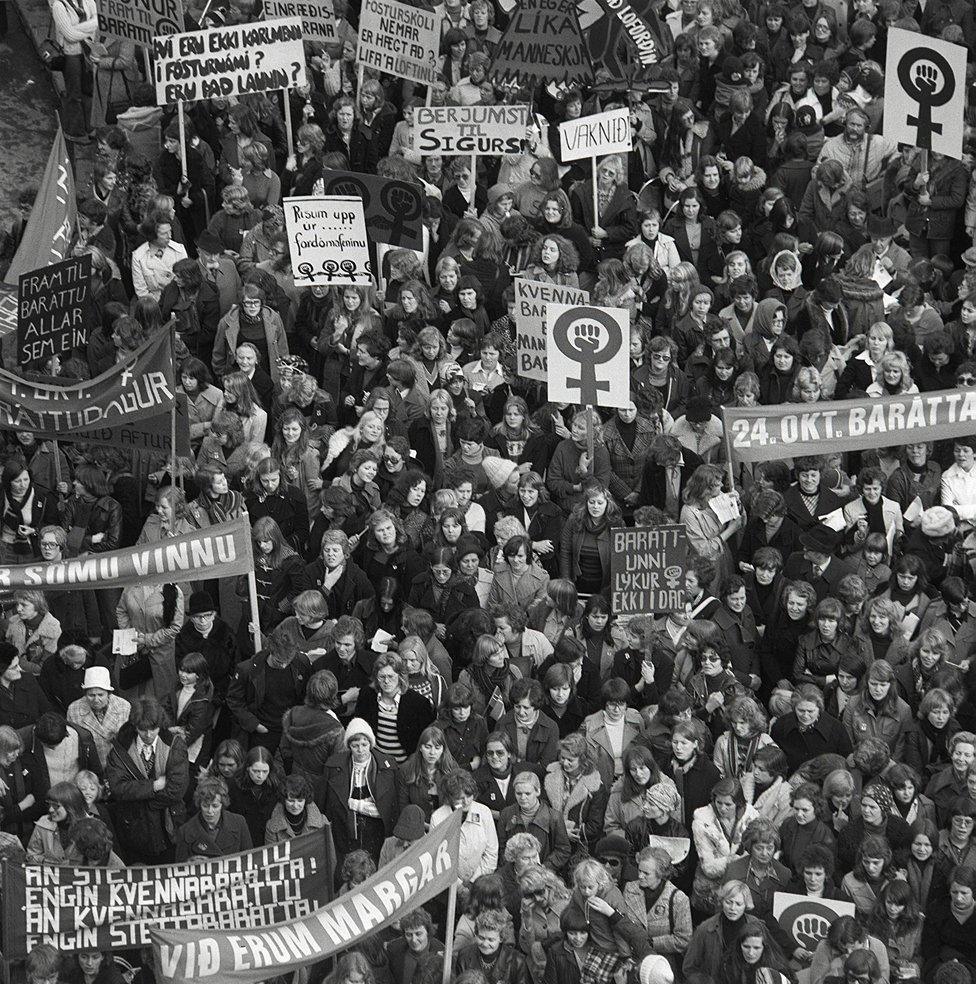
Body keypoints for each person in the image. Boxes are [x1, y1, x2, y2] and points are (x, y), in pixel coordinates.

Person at [105, 697, 189, 864]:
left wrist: (144, 802)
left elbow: (176, 790)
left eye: (153, 729)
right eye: (143, 730)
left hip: (169, 829)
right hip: (135, 831)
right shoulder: (120, 749)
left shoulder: (175, 745)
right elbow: (118, 788)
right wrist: (154, 786)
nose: (149, 735)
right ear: (135, 726)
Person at [324, 717, 397, 862]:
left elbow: (386, 809)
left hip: (376, 832)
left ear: (371, 744)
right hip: (346, 833)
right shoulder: (333, 767)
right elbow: (329, 804)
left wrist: (356, 805)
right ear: (349, 746)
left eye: (364, 744)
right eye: (355, 745)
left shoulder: (387, 767)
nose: (360, 750)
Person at [174, 775, 251, 860]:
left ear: (222, 804)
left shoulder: (239, 823)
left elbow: (249, 860)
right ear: (199, 804)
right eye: (205, 806)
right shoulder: (185, 831)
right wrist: (189, 863)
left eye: (215, 806)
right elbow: (179, 867)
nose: (210, 811)